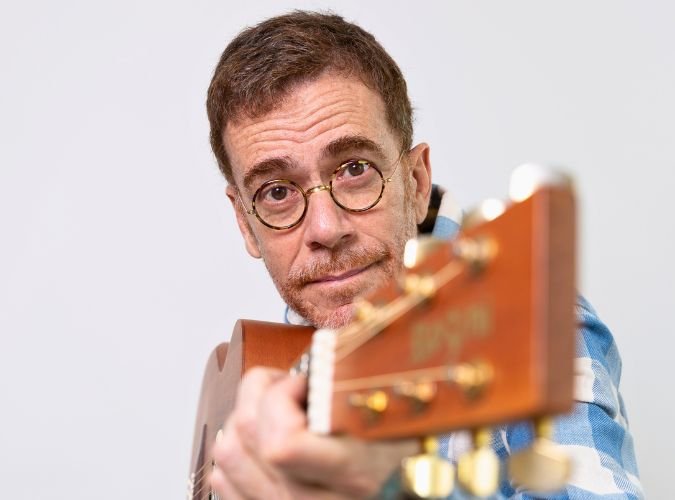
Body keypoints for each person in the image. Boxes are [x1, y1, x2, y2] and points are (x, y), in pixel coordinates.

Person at [205, 11, 642, 499]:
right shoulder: (275, 358)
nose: (326, 229)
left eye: (354, 169)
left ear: (415, 182)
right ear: (245, 223)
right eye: (277, 192)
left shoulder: (535, 323)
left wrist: (385, 491)